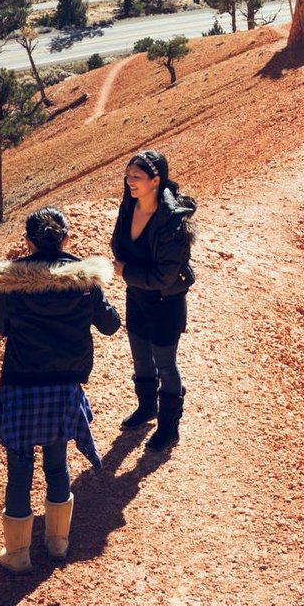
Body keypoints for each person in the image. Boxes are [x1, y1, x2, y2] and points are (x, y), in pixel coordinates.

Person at [0, 206, 121, 573]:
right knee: (57, 466)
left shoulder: (12, 284)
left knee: (19, 470)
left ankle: (18, 555)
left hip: (20, 385)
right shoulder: (85, 282)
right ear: (67, 239)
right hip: (63, 388)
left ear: (28, 242)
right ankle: (58, 544)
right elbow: (110, 325)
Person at [111, 150, 196, 449]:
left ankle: (169, 428)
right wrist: (128, 271)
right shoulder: (129, 205)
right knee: (139, 357)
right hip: (137, 296)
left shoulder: (172, 221)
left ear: (155, 180)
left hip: (165, 302)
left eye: (136, 177)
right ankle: (147, 408)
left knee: (165, 364)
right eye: (128, 175)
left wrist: (127, 271)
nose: (129, 181)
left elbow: (165, 276)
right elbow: (118, 241)